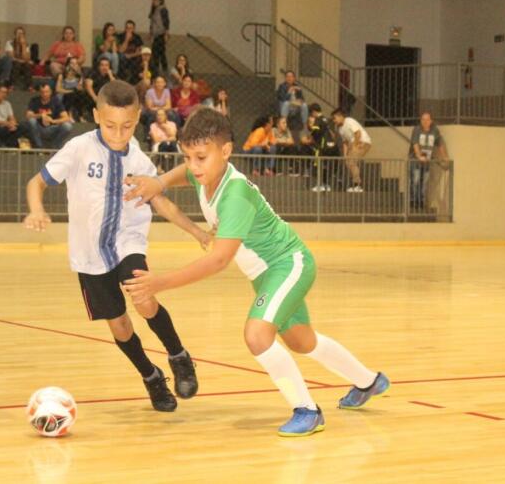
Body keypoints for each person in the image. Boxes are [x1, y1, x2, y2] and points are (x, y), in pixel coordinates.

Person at [122, 107, 390, 437]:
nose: (193, 165)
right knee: (302, 341)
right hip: (267, 274)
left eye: (201, 157)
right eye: (187, 156)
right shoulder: (206, 173)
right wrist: (160, 181)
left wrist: (159, 283)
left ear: (226, 151)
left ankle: (307, 410)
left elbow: (218, 260)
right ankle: (369, 381)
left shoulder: (234, 195)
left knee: (257, 335)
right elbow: (185, 174)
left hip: (287, 264)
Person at [23, 80, 205, 412]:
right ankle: (151, 376)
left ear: (137, 119)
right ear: (96, 116)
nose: (119, 134)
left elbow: (161, 202)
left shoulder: (138, 159)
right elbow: (37, 182)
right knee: (120, 326)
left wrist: (198, 232)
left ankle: (179, 355)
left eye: (127, 126)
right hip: (89, 253)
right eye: (110, 126)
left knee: (143, 298)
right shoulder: (79, 148)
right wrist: (36, 209)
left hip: (127, 240)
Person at [409, 111, 445, 210]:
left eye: (427, 119)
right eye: (423, 119)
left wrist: (444, 157)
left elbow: (440, 144)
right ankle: (413, 201)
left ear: (431, 121)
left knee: (424, 182)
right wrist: (419, 156)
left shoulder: (435, 130)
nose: (425, 121)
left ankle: (421, 202)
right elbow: (415, 144)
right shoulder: (417, 129)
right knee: (415, 180)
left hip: (427, 161)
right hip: (415, 161)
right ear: (420, 121)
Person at [331, 108, 372, 193]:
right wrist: (345, 154)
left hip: (362, 142)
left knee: (351, 162)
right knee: (348, 162)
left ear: (340, 116)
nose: (334, 121)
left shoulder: (349, 121)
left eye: (335, 118)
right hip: (353, 144)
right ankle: (355, 183)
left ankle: (357, 185)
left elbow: (358, 133)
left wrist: (354, 146)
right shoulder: (340, 129)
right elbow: (345, 142)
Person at [24, 83, 73, 149]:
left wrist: (52, 121)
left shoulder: (56, 101)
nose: (44, 94)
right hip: (39, 128)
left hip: (52, 128)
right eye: (42, 92)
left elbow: (66, 118)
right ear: (40, 92)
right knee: (31, 121)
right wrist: (41, 115)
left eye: (46, 92)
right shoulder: (34, 101)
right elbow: (28, 115)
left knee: (67, 126)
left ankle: (54, 146)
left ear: (50, 92)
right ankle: (39, 146)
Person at [306, 104, 339, 192]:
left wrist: (310, 134)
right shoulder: (327, 120)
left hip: (322, 147)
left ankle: (320, 184)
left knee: (318, 165)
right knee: (326, 166)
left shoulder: (318, 119)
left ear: (313, 112)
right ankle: (326, 184)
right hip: (332, 146)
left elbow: (315, 131)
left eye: (311, 114)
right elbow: (332, 134)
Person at [54, 58, 87, 122]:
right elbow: (57, 89)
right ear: (67, 65)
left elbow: (80, 89)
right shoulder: (62, 75)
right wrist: (70, 91)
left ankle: (81, 116)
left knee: (81, 95)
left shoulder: (78, 76)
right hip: (63, 95)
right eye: (72, 63)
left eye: (76, 63)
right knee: (71, 95)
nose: (74, 65)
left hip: (74, 96)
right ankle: (69, 115)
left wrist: (81, 77)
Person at [149, 108, 178, 174]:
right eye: (158, 115)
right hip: (159, 145)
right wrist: (169, 138)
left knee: (173, 144)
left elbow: (174, 138)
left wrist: (165, 127)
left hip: (170, 144)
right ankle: (162, 167)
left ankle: (174, 166)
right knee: (164, 144)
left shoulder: (172, 124)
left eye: (161, 115)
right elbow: (156, 140)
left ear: (166, 116)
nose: (159, 117)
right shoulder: (153, 125)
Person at [6, 26, 33, 90]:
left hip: (23, 64)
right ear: (15, 34)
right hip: (13, 63)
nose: (20, 35)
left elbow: (27, 58)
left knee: (27, 65)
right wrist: (22, 61)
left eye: (22, 33)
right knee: (17, 64)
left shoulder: (26, 44)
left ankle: (29, 86)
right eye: (18, 33)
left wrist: (23, 45)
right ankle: (12, 85)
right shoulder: (9, 43)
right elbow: (11, 56)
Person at [148, 0, 169, 75]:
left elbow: (166, 21)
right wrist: (151, 34)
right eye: (153, 0)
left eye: (156, 0)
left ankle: (164, 69)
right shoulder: (154, 11)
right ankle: (156, 70)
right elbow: (152, 24)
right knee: (155, 53)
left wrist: (166, 33)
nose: (154, 2)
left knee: (161, 52)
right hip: (155, 35)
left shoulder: (162, 9)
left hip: (161, 34)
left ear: (160, 1)